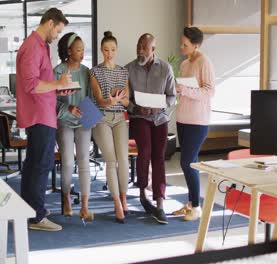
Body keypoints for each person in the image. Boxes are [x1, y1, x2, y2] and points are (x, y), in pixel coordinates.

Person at [16, 8, 75, 232]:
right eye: (58, 31)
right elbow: (31, 84)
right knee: (40, 164)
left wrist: (58, 90)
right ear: (50, 23)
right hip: (39, 115)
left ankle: (30, 209)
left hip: (43, 111)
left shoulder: (40, 46)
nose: (57, 36)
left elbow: (41, 83)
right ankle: (37, 216)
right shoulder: (32, 47)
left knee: (34, 164)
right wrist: (58, 85)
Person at [126, 33, 176, 224]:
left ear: (152, 50)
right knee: (145, 152)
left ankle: (160, 202)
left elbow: (172, 96)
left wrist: (160, 106)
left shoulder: (165, 68)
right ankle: (142, 194)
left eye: (144, 48)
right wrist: (136, 108)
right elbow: (125, 99)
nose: (140, 51)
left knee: (159, 157)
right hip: (140, 117)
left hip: (159, 118)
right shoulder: (129, 69)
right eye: (138, 46)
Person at [172, 27, 216, 221]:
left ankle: (196, 207)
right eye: (182, 43)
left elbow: (209, 91)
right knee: (188, 161)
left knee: (188, 162)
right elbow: (183, 90)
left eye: (185, 44)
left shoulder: (204, 62)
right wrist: (178, 90)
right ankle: (190, 203)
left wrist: (186, 90)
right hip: (182, 118)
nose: (182, 47)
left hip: (198, 121)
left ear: (196, 45)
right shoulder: (183, 64)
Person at [90, 31, 130, 224]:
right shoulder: (95, 71)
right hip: (102, 118)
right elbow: (99, 100)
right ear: (101, 50)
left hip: (120, 118)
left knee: (124, 159)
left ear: (116, 50)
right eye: (106, 50)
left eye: (113, 49)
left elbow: (128, 101)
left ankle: (124, 196)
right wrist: (110, 99)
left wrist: (121, 99)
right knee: (111, 160)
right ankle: (116, 202)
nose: (109, 53)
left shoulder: (123, 72)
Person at [54, 32, 94, 221]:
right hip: (64, 121)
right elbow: (51, 101)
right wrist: (68, 107)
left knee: (84, 161)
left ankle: (85, 206)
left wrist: (90, 112)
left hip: (84, 121)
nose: (82, 53)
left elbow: (91, 97)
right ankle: (66, 197)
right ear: (69, 51)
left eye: (83, 49)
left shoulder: (87, 71)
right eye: (78, 50)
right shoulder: (58, 71)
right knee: (68, 162)